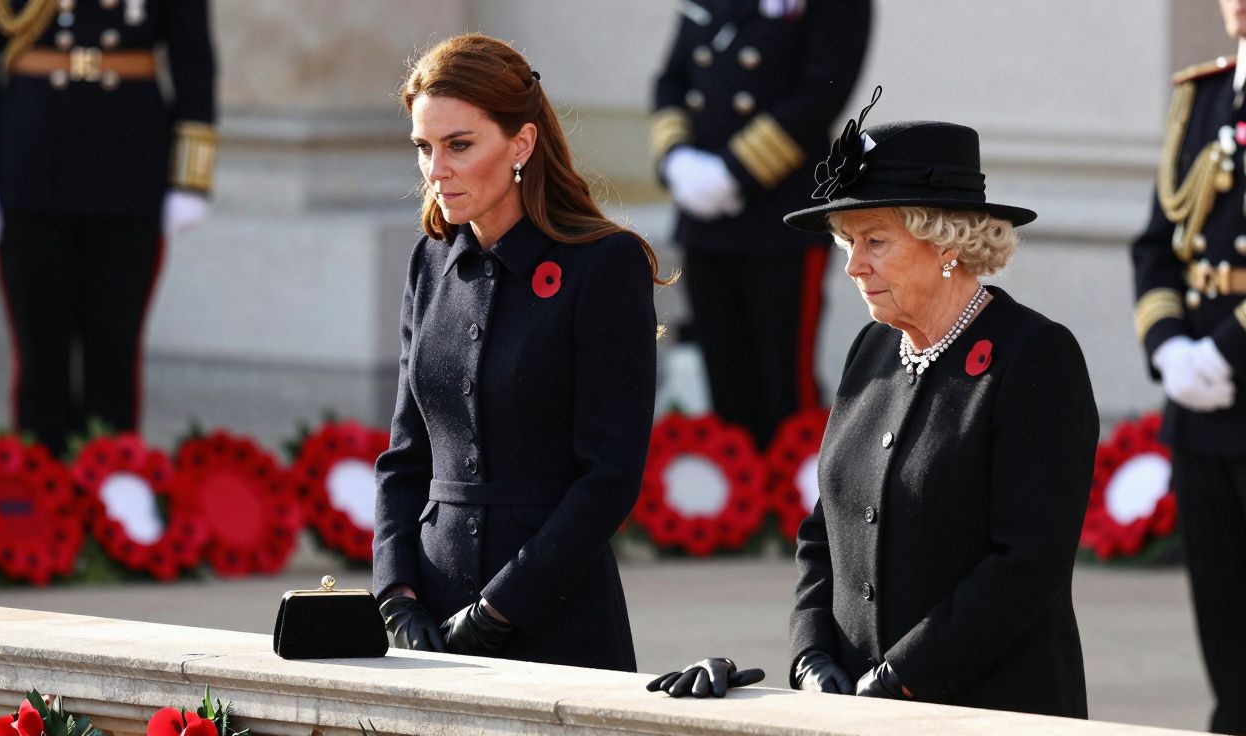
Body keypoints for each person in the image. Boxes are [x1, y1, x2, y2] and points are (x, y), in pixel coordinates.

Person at [651, 101, 1098, 718]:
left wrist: (900, 680)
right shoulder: (873, 348)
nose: (854, 265)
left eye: (876, 241)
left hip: (989, 711)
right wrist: (811, 657)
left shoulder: (1034, 357)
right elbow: (824, 528)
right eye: (848, 242)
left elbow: (1027, 564)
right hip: (861, 710)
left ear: (947, 242)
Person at [371, 34, 666, 671]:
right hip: (430, 612)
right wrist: (395, 593)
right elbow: (404, 454)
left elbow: (609, 475)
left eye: (459, 145)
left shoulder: (603, 265)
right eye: (424, 147)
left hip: (554, 616)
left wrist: (499, 611)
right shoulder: (430, 260)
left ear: (521, 144)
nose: (435, 169)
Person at [0, 0, 217, 456]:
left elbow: (193, 59)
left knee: (114, 356)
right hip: (31, 171)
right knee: (38, 361)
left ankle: (109, 495)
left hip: (128, 173)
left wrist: (190, 179)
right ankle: (42, 496)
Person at [648, 0, 871, 447]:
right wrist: (676, 159)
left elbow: (822, 91)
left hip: (781, 221)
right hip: (704, 218)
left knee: (785, 389)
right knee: (724, 385)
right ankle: (743, 508)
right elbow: (672, 79)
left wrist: (735, 171)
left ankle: (797, 512)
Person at [1130, 2, 1246, 731]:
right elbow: (1156, 243)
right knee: (1223, 612)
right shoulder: (1203, 96)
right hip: (1203, 404)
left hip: (1229, 365)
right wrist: (1170, 346)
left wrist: (1224, 349)